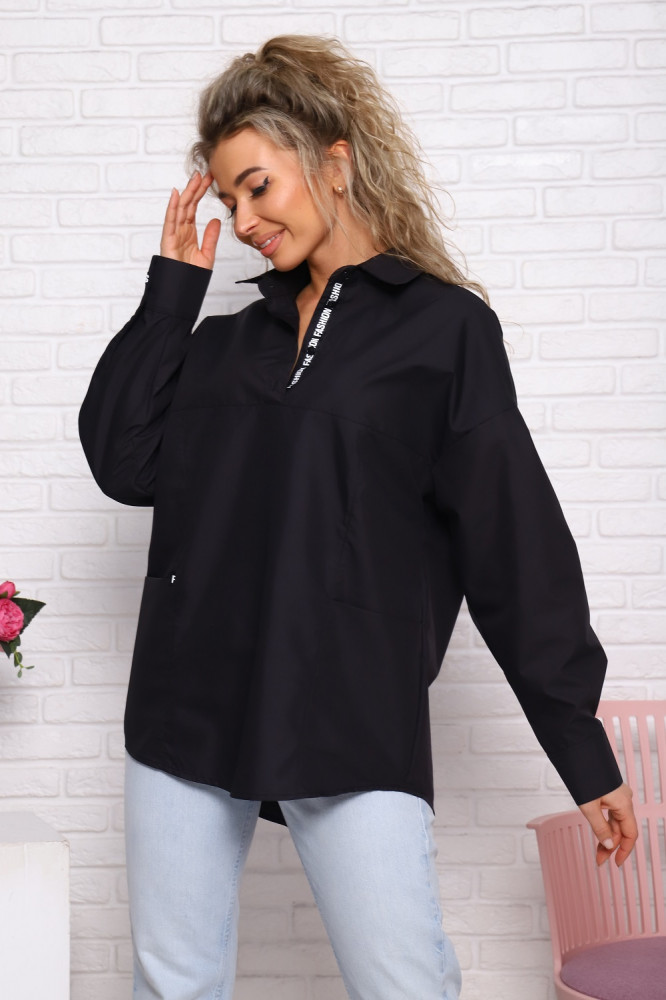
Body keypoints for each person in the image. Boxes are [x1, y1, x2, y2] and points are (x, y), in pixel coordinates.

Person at [78, 33, 638, 1000]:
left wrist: (581, 752)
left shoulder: (445, 331)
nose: (243, 221)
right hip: (185, 702)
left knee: (404, 984)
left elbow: (514, 546)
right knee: (172, 983)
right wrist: (171, 298)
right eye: (228, 200)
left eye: (258, 186)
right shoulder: (227, 343)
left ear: (333, 161)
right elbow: (122, 462)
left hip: (347, 707)